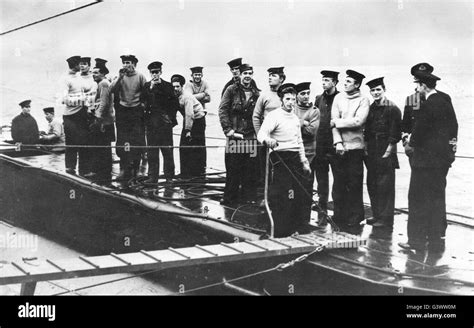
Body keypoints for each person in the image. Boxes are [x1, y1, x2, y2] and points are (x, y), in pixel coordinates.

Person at [399, 71, 458, 252]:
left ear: (423, 86)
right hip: (441, 161)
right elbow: (454, 126)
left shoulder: (427, 104)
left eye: (418, 85)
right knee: (437, 197)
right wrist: (451, 151)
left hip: (424, 161)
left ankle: (415, 241)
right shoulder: (444, 100)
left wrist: (410, 141)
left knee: (416, 198)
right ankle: (435, 236)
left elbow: (420, 130)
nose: (417, 88)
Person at [257, 84, 311, 237]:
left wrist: (304, 161)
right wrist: (268, 141)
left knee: (298, 193)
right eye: (287, 99)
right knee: (283, 194)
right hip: (280, 158)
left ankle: (298, 227)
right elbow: (261, 134)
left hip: (295, 158)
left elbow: (299, 141)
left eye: (293, 99)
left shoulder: (294, 118)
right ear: (281, 100)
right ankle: (279, 230)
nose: (291, 102)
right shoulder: (274, 116)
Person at [330, 70, 370, 230]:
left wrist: (338, 122)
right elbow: (332, 123)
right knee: (339, 183)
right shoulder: (338, 98)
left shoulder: (363, 100)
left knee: (354, 183)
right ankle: (339, 215)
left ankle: (355, 216)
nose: (345, 84)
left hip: (355, 148)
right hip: (340, 148)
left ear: (357, 84)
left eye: (349, 81)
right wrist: (338, 142)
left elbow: (358, 121)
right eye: (344, 81)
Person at [218, 63, 260, 205]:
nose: (247, 76)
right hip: (235, 137)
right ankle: (230, 200)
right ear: (240, 75)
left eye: (250, 73)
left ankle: (249, 200)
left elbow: (259, 115)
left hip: (250, 137)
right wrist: (228, 130)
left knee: (250, 171)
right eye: (245, 73)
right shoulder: (231, 90)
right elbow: (222, 110)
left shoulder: (256, 93)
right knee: (233, 170)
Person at [364, 77, 401, 230]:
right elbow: (367, 130)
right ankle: (377, 214)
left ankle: (386, 219)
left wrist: (387, 152)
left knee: (385, 186)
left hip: (385, 150)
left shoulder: (392, 108)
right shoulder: (372, 108)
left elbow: (395, 134)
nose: (375, 93)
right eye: (373, 90)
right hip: (372, 150)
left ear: (384, 90)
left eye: (378, 89)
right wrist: (366, 148)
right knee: (373, 184)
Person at [140, 61, 179, 183]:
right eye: (152, 72)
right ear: (150, 73)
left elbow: (175, 104)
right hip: (151, 125)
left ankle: (169, 177)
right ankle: (153, 177)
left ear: (161, 72)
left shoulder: (168, 86)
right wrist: (151, 89)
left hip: (164, 125)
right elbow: (142, 103)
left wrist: (170, 119)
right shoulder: (146, 86)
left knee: (167, 150)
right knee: (152, 151)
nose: (155, 75)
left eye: (157, 72)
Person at [110, 54, 147, 179]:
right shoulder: (119, 76)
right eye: (124, 63)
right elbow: (111, 90)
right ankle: (124, 168)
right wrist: (120, 78)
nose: (126, 65)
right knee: (123, 140)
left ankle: (136, 169)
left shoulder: (140, 76)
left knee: (136, 140)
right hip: (123, 111)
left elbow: (146, 92)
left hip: (136, 111)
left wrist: (143, 105)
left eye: (128, 62)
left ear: (134, 64)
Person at [313, 70, 339, 225]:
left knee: (338, 181)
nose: (324, 83)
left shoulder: (341, 98)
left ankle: (337, 213)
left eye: (327, 80)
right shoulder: (318, 99)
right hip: (320, 146)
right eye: (322, 80)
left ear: (335, 82)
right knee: (321, 182)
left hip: (335, 146)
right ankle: (322, 213)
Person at [293, 82, 320, 225]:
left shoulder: (314, 111)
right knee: (292, 186)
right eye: (302, 93)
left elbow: (311, 132)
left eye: (307, 93)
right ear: (296, 95)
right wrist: (304, 123)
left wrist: (298, 123)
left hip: (309, 153)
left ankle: (304, 219)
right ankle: (292, 217)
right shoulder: (292, 109)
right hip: (293, 151)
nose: (306, 96)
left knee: (306, 186)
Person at [172, 74, 207, 178]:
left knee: (194, 145)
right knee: (185, 147)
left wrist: (187, 130)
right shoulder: (175, 95)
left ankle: (197, 172)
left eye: (177, 86)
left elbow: (189, 114)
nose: (175, 89)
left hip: (198, 120)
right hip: (189, 119)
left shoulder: (186, 97)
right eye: (173, 86)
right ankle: (187, 172)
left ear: (182, 86)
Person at [61, 55, 90, 175]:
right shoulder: (64, 79)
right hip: (70, 116)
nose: (82, 66)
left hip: (82, 114)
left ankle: (84, 170)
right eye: (80, 64)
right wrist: (82, 100)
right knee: (72, 143)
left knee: (84, 142)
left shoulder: (78, 77)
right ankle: (70, 169)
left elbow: (87, 88)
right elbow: (64, 100)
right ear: (75, 65)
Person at [89, 59, 116, 179]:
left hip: (103, 121)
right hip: (106, 120)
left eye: (96, 73)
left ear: (103, 73)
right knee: (104, 147)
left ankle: (101, 172)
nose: (93, 75)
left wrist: (97, 119)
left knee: (101, 146)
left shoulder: (103, 83)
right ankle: (104, 171)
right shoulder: (104, 83)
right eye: (92, 73)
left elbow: (104, 103)